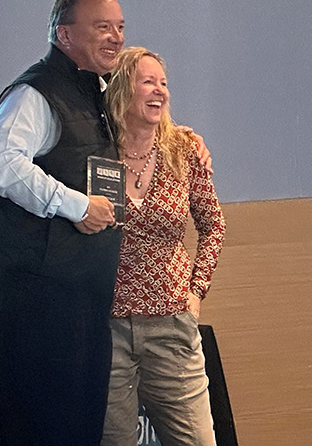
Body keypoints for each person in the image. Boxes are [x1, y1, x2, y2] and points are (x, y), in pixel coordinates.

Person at [0, 0, 210, 446]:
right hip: (38, 304)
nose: (116, 37)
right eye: (102, 27)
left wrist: (180, 137)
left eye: (120, 27)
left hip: (84, 306)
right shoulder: (37, 94)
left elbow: (137, 120)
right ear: (64, 35)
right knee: (44, 432)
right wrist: (75, 204)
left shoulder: (96, 94)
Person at [100, 47, 226, 446]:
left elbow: (213, 224)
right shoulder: (95, 149)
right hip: (106, 327)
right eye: (148, 82)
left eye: (164, 83)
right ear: (122, 89)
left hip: (171, 323)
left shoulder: (184, 149)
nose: (160, 92)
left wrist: (196, 290)